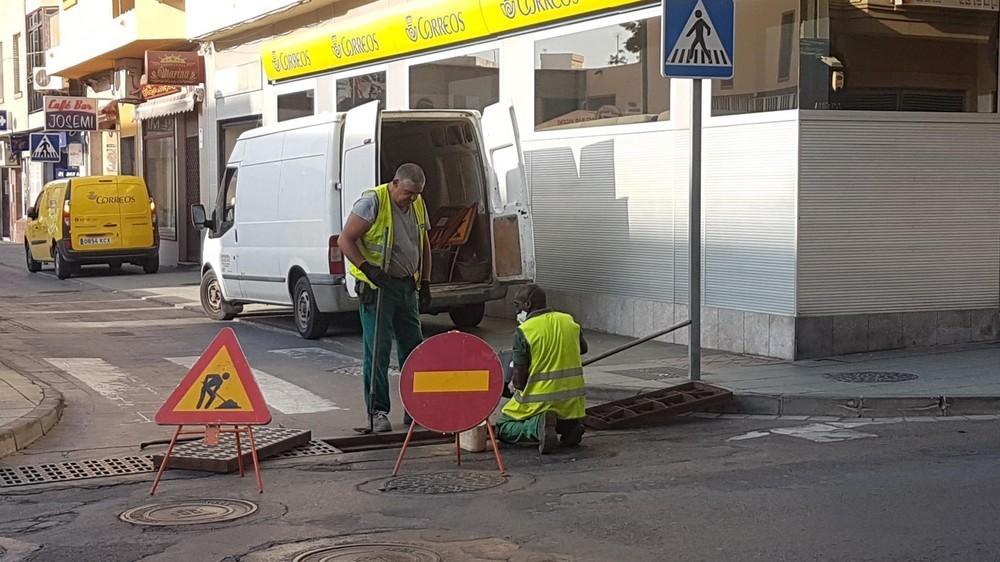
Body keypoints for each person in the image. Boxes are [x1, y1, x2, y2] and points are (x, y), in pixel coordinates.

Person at [339, 163, 432, 433]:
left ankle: (415, 407)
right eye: (408, 193)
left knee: (414, 349)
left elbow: (424, 243)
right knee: (377, 350)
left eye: (416, 194)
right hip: (377, 288)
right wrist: (367, 268)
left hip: (406, 287)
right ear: (394, 184)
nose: (412, 199)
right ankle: (377, 411)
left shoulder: (417, 203)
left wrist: (425, 283)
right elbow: (345, 240)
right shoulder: (372, 202)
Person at [495, 284, 587, 453]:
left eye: (517, 305)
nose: (516, 311)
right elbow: (583, 349)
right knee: (558, 416)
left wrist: (510, 384)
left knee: (502, 427)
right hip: (570, 402)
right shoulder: (568, 320)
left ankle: (536, 428)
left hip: (538, 402)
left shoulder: (525, 331)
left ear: (527, 305)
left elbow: (520, 382)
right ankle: (570, 427)